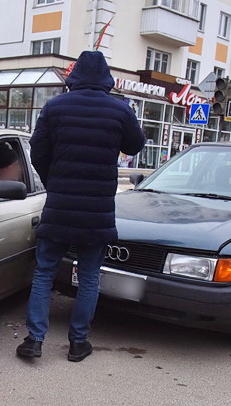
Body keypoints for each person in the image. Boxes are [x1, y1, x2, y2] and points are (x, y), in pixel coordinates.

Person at [16, 50, 145, 362]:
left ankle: (34, 340)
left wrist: (53, 181)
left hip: (60, 205)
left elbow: (37, 150)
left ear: (73, 77)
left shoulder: (55, 106)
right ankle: (78, 343)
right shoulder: (119, 110)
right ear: (106, 79)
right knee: (89, 276)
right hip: (97, 211)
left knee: (45, 272)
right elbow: (136, 145)